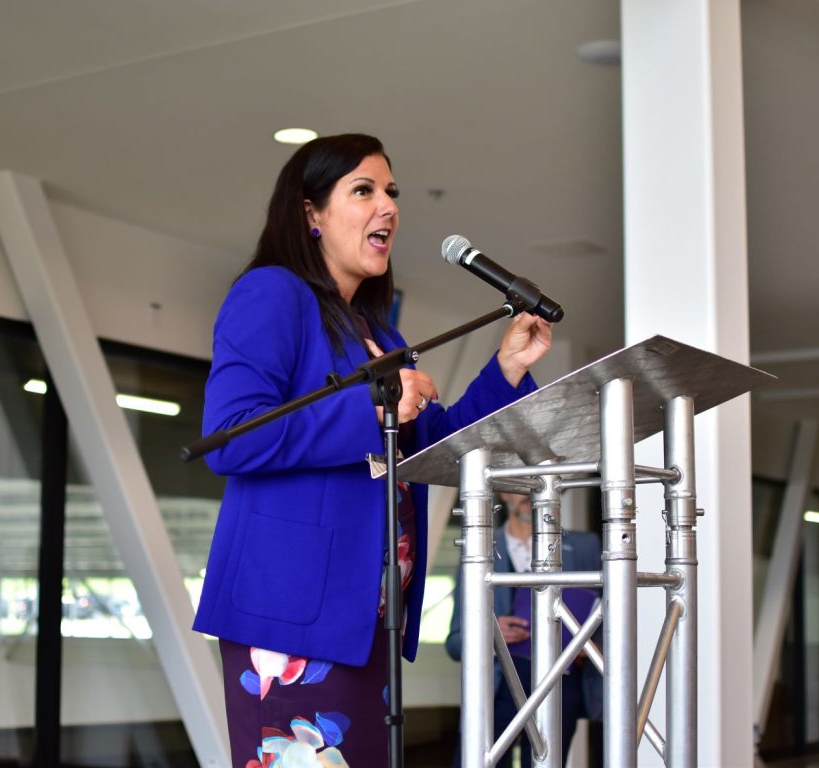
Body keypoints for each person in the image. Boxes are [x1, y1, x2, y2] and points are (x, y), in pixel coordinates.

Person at [192, 134, 553, 768]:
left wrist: (507, 367)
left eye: (390, 192)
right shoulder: (273, 294)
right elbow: (235, 434)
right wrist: (376, 409)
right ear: (311, 214)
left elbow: (434, 444)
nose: (386, 205)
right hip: (293, 619)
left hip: (366, 613)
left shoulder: (377, 332)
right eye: (363, 191)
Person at [445, 492, 602, 768]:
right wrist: (488, 636)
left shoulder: (584, 546)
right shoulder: (478, 550)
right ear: (503, 492)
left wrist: (586, 647)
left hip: (561, 685)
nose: (529, 493)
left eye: (537, 484)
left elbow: (608, 617)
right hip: (496, 687)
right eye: (519, 484)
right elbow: (455, 643)